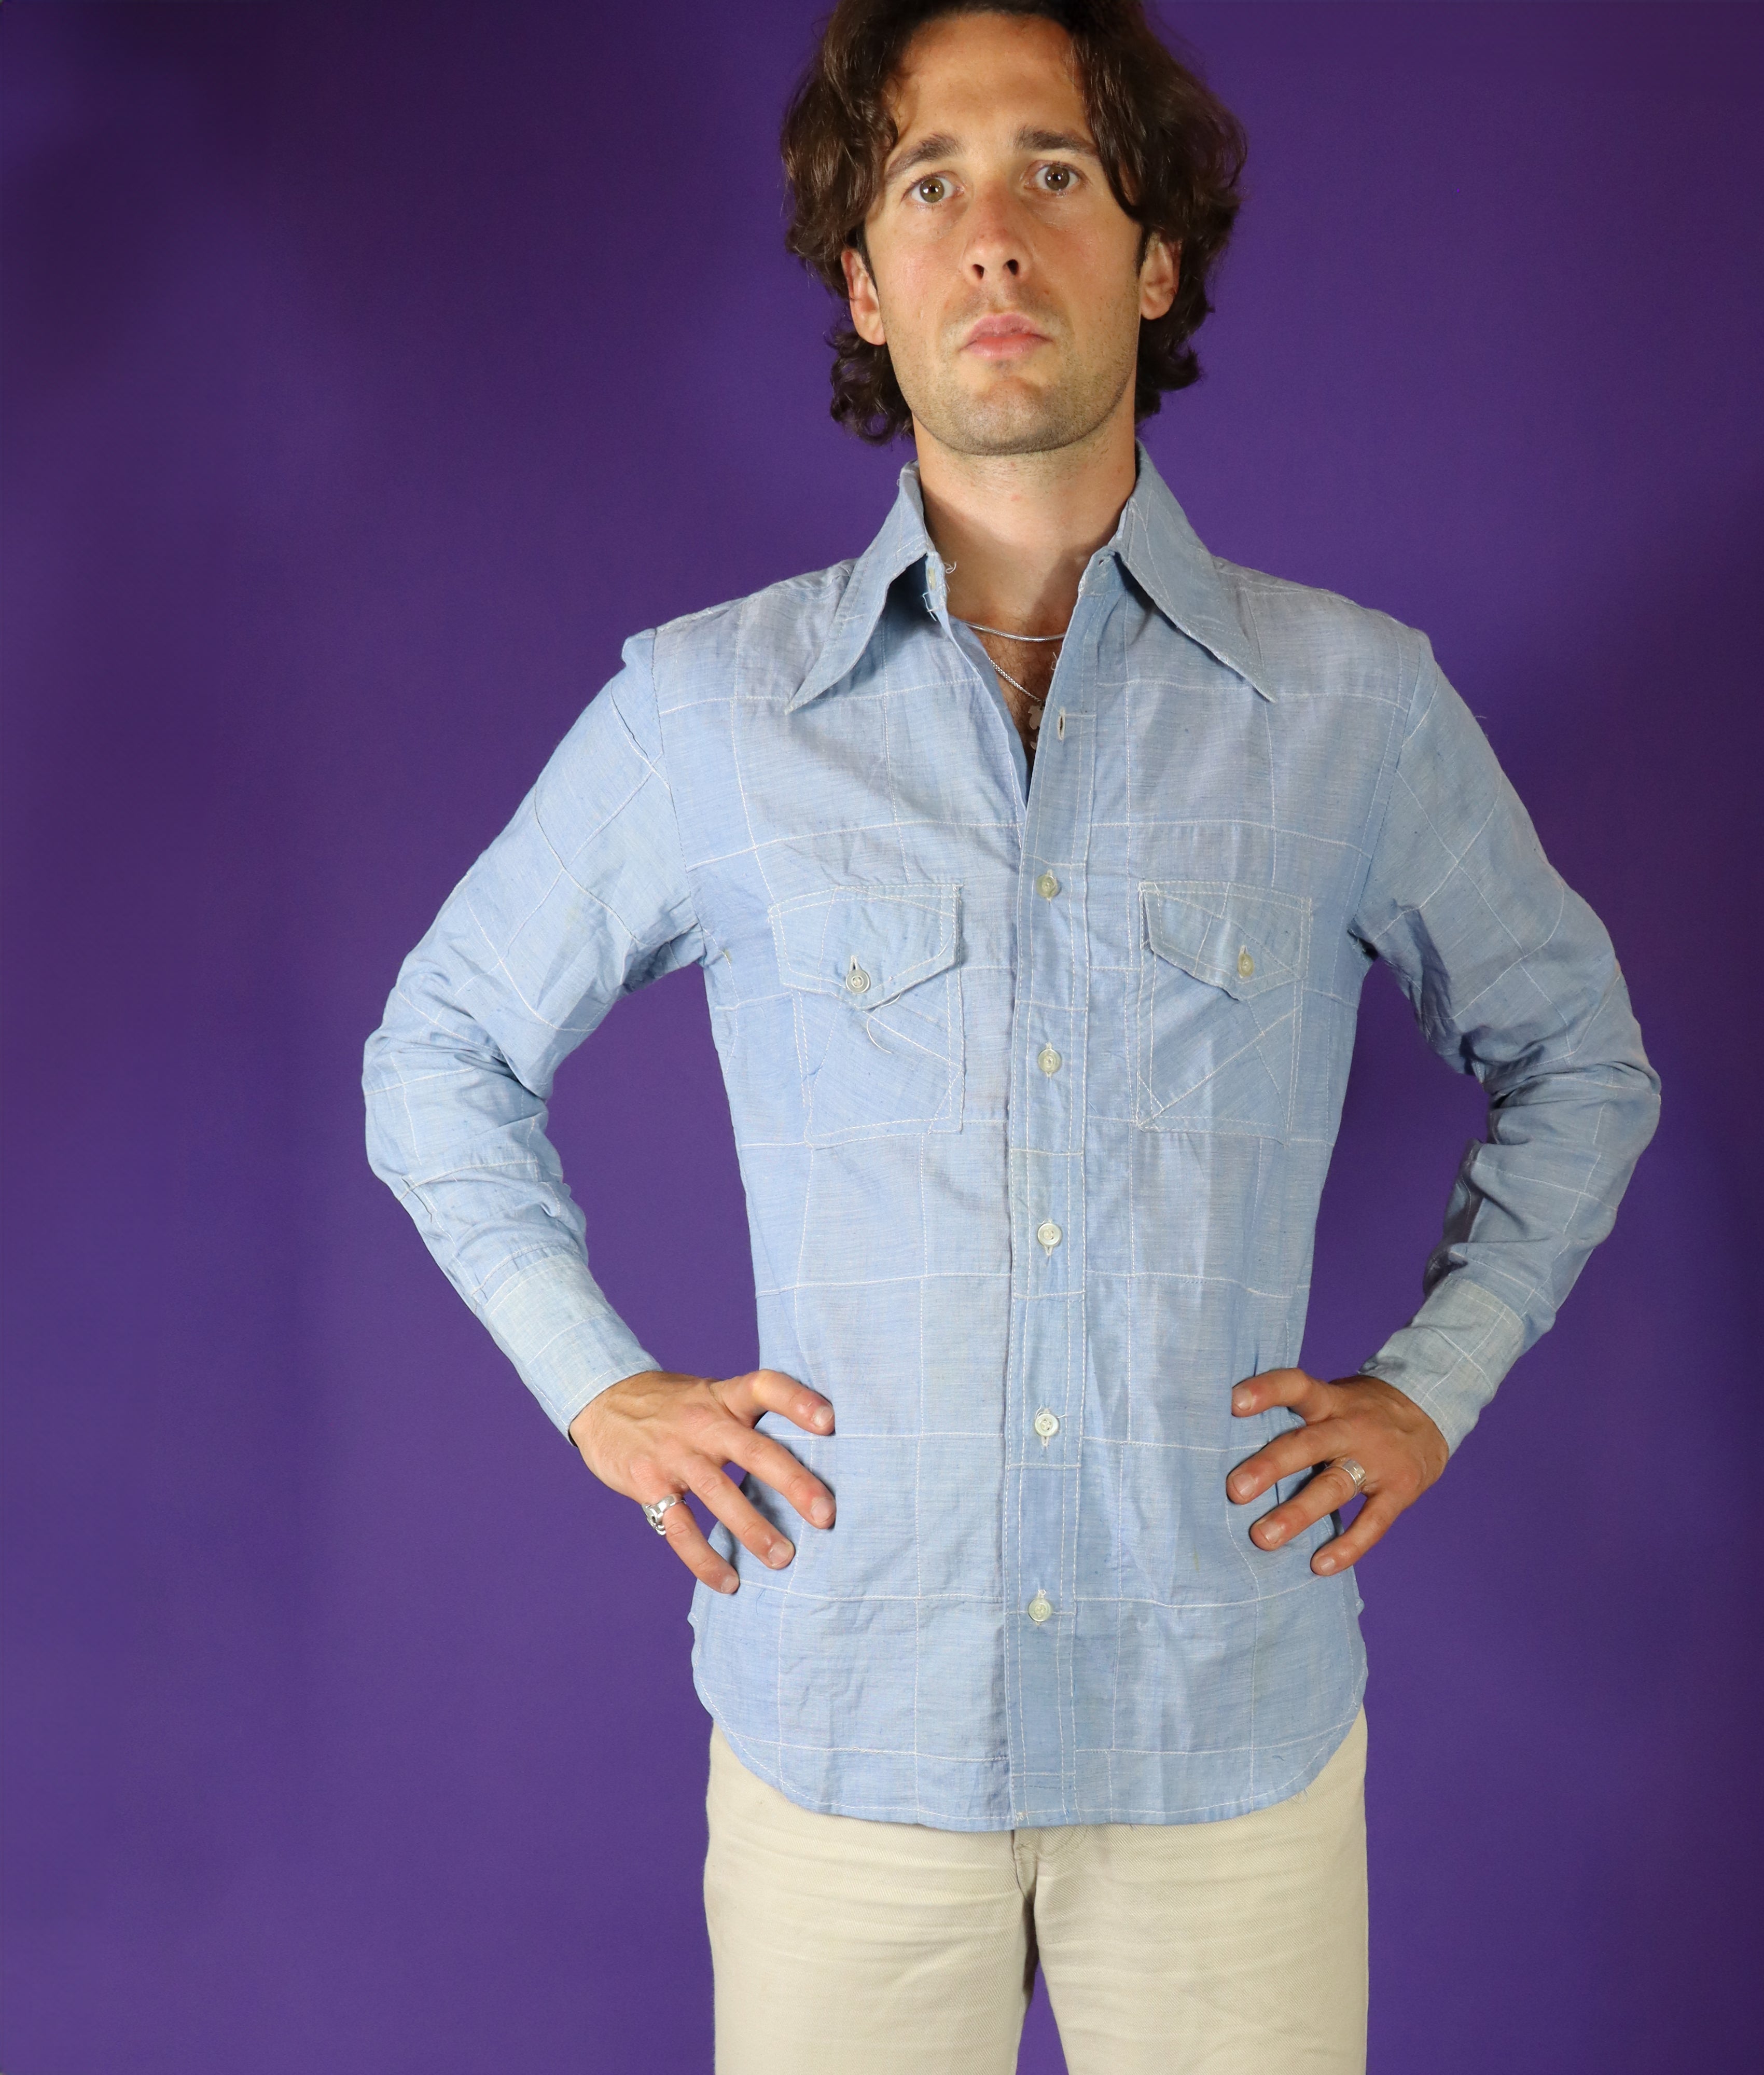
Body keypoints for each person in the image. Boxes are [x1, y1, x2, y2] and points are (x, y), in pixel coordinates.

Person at [362, 2, 1661, 2067]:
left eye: (1056, 170)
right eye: (928, 181)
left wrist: (1438, 1385)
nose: (993, 232)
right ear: (864, 284)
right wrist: (601, 1391)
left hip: (1222, 1742)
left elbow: (1579, 1055)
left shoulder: (1353, 709)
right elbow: (438, 1048)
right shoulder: (708, 715)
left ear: (1153, 258)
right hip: (846, 1742)